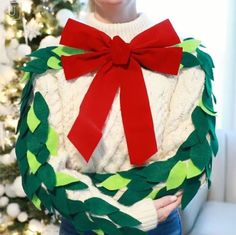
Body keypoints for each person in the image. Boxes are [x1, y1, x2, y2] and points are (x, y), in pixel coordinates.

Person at [15, 0, 217, 234]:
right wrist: (124, 216)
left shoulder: (186, 62)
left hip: (158, 224)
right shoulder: (49, 68)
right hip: (81, 227)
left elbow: (188, 160)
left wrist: (106, 205)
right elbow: (44, 168)